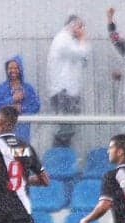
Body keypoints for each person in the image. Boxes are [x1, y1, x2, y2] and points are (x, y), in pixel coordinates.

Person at [46, 15, 89, 147]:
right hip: (63, 91)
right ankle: (58, 155)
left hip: (69, 92)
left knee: (69, 128)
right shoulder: (63, 39)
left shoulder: (69, 40)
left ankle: (62, 154)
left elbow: (84, 60)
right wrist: (82, 39)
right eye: (80, 27)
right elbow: (82, 53)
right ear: (72, 25)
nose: (82, 30)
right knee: (65, 128)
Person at [0, 55, 41, 143]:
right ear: (7, 70)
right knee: (4, 155)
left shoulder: (27, 88)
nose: (13, 71)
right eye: (10, 68)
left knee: (20, 156)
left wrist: (22, 109)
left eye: (16, 68)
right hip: (3, 133)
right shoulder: (1, 88)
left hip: (22, 133)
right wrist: (11, 100)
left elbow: (36, 106)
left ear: (20, 69)